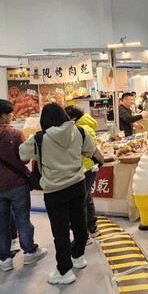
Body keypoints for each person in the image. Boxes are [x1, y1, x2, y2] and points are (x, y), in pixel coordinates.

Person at [19, 103, 96, 284]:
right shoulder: (78, 131)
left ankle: (64, 271)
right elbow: (90, 149)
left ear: (44, 119)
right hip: (77, 183)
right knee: (79, 222)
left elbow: (22, 154)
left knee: (60, 232)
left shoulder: (40, 138)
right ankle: (78, 257)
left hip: (55, 190)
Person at [0, 100, 48, 272]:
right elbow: (25, 158)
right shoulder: (15, 134)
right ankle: (29, 252)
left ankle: (4, 258)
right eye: (11, 114)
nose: (13, 116)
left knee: (1, 222)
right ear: (4, 115)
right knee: (22, 219)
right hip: (17, 183)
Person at [64, 105, 101, 241]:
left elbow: (80, 149)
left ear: (73, 117)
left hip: (85, 168)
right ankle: (92, 227)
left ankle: (84, 234)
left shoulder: (79, 129)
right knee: (87, 198)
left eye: (66, 116)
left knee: (81, 201)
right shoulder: (83, 126)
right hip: (89, 167)